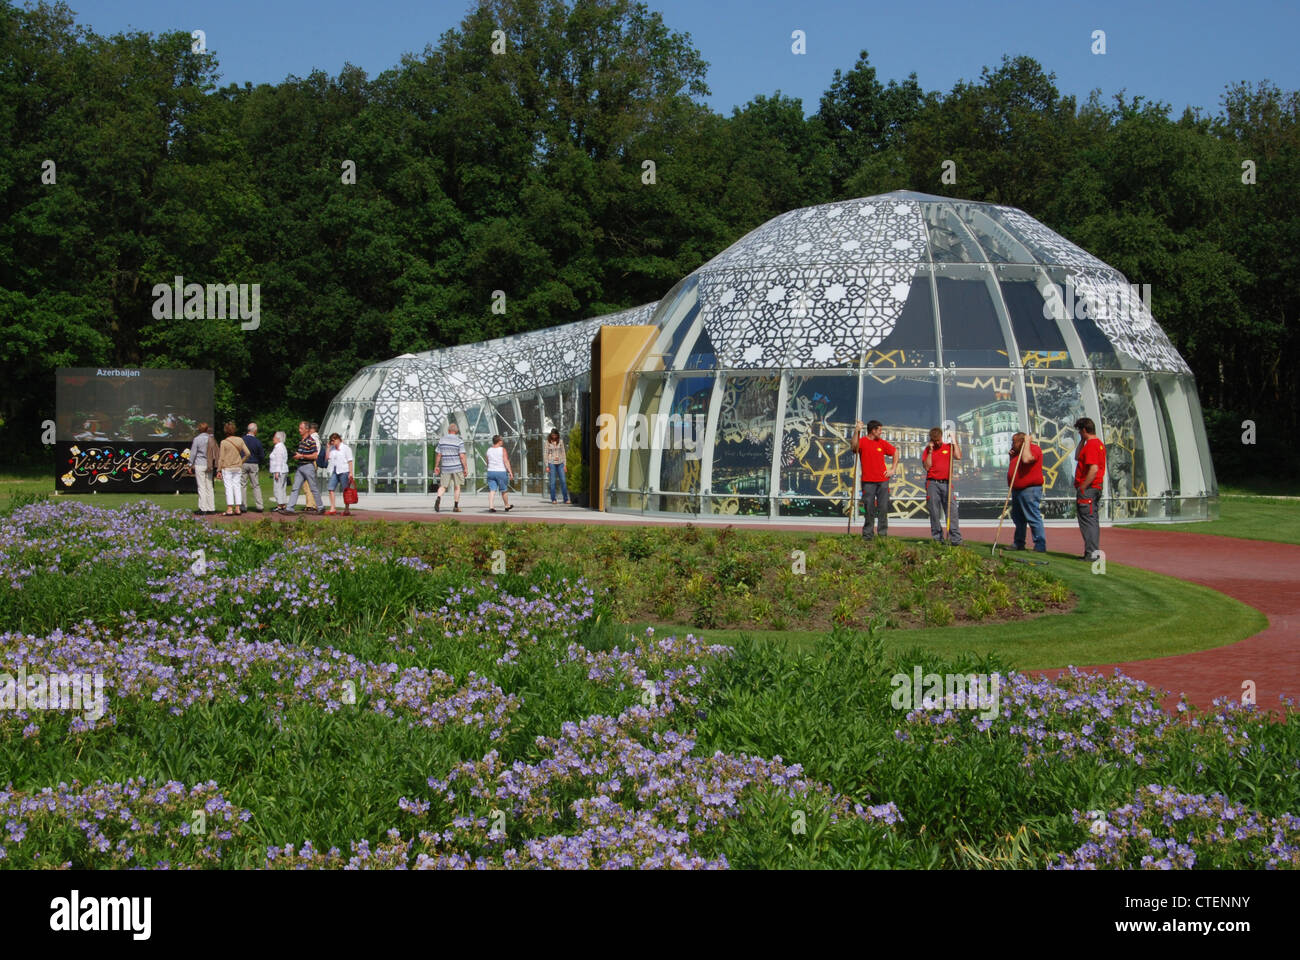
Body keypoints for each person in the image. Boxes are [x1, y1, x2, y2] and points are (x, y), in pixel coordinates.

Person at [853, 419, 898, 540]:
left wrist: (892, 469)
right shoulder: (862, 441)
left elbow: (895, 452)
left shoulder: (882, 443)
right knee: (869, 508)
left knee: (883, 507)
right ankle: (867, 535)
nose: (881, 432)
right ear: (873, 430)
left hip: (883, 481)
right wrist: (856, 431)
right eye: (879, 430)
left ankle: (882, 534)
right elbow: (854, 448)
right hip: (868, 481)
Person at [922, 427, 962, 545]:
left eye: (938, 440)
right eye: (935, 441)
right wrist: (930, 451)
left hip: (946, 483)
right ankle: (938, 539)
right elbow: (927, 467)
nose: (937, 443)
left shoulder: (948, 447)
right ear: (931, 440)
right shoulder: (927, 450)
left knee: (952, 510)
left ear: (941, 437)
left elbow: (958, 456)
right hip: (932, 483)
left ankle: (956, 539)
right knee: (934, 511)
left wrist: (954, 439)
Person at [1007, 432, 1047, 552]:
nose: (1012, 444)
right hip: (1017, 489)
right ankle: (1019, 543)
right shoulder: (1017, 453)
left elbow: (1026, 459)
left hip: (1029, 489)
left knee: (1033, 516)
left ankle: (1040, 545)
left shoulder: (1033, 449)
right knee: (1018, 518)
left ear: (1021, 441)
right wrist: (1012, 456)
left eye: (1014, 442)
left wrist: (1027, 443)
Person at [1073, 417, 1106, 560]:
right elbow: (1077, 457)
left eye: (1080, 431)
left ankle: (1092, 553)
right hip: (1094, 487)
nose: (1079, 433)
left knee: (1088, 521)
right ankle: (1091, 552)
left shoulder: (1092, 445)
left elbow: (1093, 468)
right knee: (1091, 519)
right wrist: (1082, 441)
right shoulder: (1096, 444)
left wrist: (1083, 487)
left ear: (1084, 430)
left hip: (1089, 488)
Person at [277, 421, 326, 515]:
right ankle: (290, 508)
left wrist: (301, 456)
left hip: (308, 466)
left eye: (301, 428)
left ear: (307, 430)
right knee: (295, 487)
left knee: (313, 487)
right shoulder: (302, 441)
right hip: (301, 466)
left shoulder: (311, 441)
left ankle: (320, 507)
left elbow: (315, 456)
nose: (299, 430)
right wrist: (297, 456)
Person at [217, 422, 251, 516]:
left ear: (225, 431)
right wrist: (241, 461)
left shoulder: (224, 442)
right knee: (237, 486)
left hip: (227, 467)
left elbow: (221, 458)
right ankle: (238, 508)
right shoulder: (240, 440)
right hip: (237, 467)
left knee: (229, 487)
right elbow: (248, 453)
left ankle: (229, 508)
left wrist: (218, 470)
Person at [433, 421, 467, 513]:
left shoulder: (442, 440)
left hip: (445, 467)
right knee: (457, 486)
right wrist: (465, 468)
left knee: (443, 486)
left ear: (448, 431)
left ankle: (438, 498)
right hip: (457, 467)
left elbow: (439, 455)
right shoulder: (459, 441)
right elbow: (462, 456)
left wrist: (436, 466)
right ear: (456, 431)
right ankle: (456, 506)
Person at [188, 422, 218, 515]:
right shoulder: (211, 439)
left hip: (200, 464)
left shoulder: (197, 439)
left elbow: (193, 453)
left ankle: (202, 508)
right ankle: (211, 508)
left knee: (201, 487)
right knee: (209, 486)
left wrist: (190, 464)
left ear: (199, 429)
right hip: (209, 464)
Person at [325, 432, 354, 516]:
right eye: (331, 441)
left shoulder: (346, 448)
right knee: (330, 488)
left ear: (338, 439)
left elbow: (350, 461)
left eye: (333, 440)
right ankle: (332, 507)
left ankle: (347, 509)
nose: (332, 442)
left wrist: (351, 473)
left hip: (344, 471)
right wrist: (328, 448)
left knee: (346, 491)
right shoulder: (332, 449)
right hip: (335, 471)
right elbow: (327, 458)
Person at [485, 435, 514, 513]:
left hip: (491, 471)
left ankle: (491, 506)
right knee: (504, 490)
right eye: (502, 440)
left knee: (492, 490)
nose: (503, 442)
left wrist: (489, 468)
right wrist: (510, 472)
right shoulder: (502, 450)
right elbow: (506, 461)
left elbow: (487, 462)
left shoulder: (489, 450)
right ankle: (507, 505)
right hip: (501, 472)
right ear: (499, 441)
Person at [241, 422, 266, 513]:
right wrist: (258, 460)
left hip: (243, 463)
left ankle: (243, 506)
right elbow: (262, 455)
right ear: (255, 431)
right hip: (254, 464)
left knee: (243, 485)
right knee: (255, 485)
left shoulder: (242, 439)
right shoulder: (257, 441)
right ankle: (259, 506)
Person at [545, 428, 569, 504]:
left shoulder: (560, 442)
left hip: (560, 463)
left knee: (563, 481)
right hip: (551, 463)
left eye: (555, 435)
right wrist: (547, 465)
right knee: (552, 482)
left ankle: (566, 499)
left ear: (557, 435)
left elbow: (563, 453)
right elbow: (545, 454)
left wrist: (565, 465)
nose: (554, 436)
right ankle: (553, 499)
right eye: (553, 435)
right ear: (551, 435)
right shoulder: (548, 442)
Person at [268, 430, 290, 510]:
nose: (273, 438)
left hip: (280, 471)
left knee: (278, 488)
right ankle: (282, 504)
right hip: (283, 470)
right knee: (282, 488)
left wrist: (277, 472)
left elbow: (279, 460)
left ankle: (280, 505)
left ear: (278, 438)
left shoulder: (279, 447)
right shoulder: (281, 446)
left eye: (274, 437)